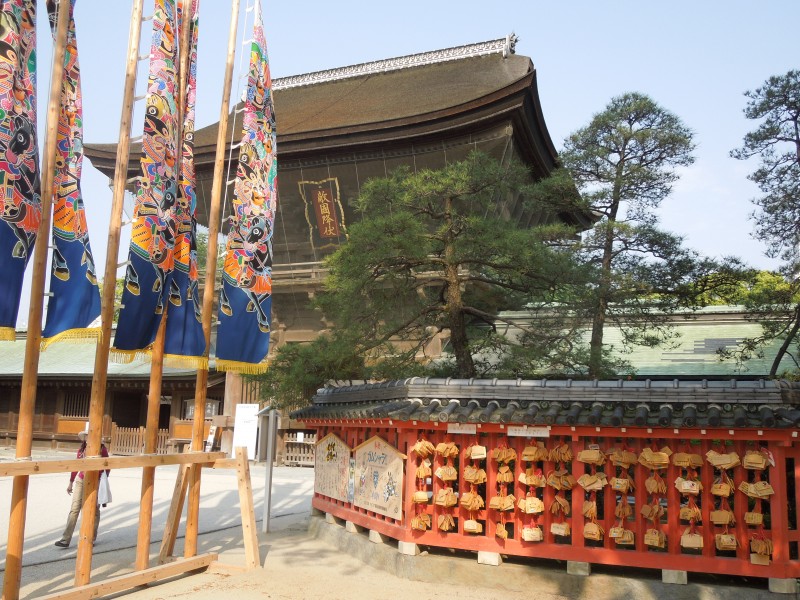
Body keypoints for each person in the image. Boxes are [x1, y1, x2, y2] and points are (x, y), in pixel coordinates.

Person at [54, 430, 110, 548]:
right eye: (86, 436)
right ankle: (65, 539)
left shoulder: (102, 449)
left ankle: (91, 537)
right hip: (81, 479)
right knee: (74, 508)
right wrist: (70, 482)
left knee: (94, 510)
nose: (88, 438)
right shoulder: (81, 450)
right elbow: (76, 466)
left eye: (90, 436)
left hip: (96, 480)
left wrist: (101, 480)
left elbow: (107, 466)